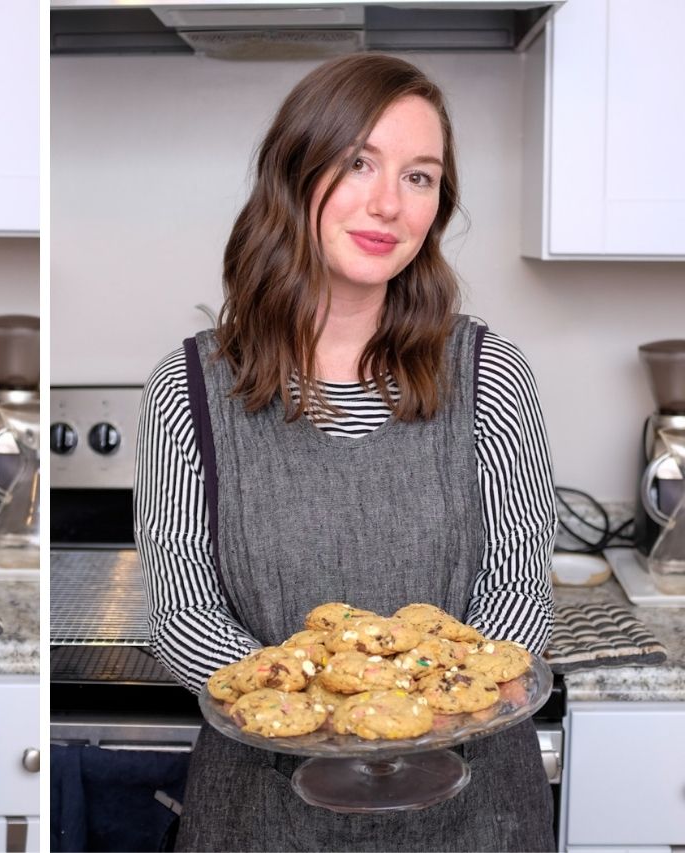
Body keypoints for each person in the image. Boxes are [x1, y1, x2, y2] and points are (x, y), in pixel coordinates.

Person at [134, 53, 557, 851]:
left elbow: (518, 594)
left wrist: (407, 720)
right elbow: (184, 613)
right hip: (260, 814)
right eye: (359, 161)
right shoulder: (187, 388)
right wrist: (329, 721)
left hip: (475, 813)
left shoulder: (491, 374)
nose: (388, 203)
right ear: (297, 172)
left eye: (420, 177)